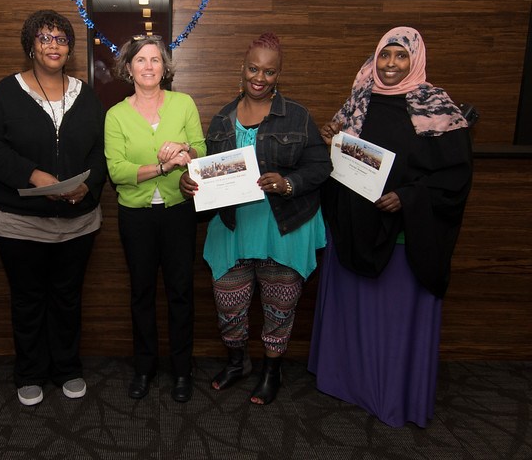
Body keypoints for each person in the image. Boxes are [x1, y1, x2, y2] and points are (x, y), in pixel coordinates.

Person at [308, 26, 473, 427]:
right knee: (356, 313)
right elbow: (336, 165)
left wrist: (410, 197)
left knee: (393, 324)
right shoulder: (357, 101)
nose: (392, 64)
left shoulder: (436, 106)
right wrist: (331, 140)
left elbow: (455, 177)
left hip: (405, 239)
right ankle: (348, 382)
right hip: (353, 229)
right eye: (385, 55)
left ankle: (391, 394)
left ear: (415, 59)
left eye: (401, 56)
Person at [180, 32, 331, 405]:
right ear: (241, 69)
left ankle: (271, 371)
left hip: (283, 226)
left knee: (279, 306)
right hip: (233, 226)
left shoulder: (296, 115)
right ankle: (238, 363)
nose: (259, 77)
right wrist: (190, 183)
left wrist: (288, 182)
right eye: (253, 68)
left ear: (278, 75)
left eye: (269, 71)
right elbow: (209, 173)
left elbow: (321, 166)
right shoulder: (220, 120)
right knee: (228, 304)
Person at [0, 10, 106, 406]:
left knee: (67, 298)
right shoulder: (6, 92)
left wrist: (88, 186)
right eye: (44, 37)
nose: (53, 45)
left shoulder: (86, 94)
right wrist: (32, 175)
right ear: (30, 45)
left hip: (78, 222)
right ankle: (29, 372)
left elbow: (104, 150)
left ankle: (66, 367)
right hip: (19, 222)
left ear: (69, 49)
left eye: (61, 39)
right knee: (28, 298)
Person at [104, 35, 206, 403]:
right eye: (141, 60)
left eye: (155, 60)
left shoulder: (183, 104)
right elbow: (117, 171)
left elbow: (201, 147)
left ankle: (182, 370)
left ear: (165, 67)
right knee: (141, 294)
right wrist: (163, 165)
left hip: (179, 211)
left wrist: (185, 150)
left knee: (181, 292)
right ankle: (144, 368)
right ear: (128, 68)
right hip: (136, 216)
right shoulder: (115, 115)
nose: (149, 66)